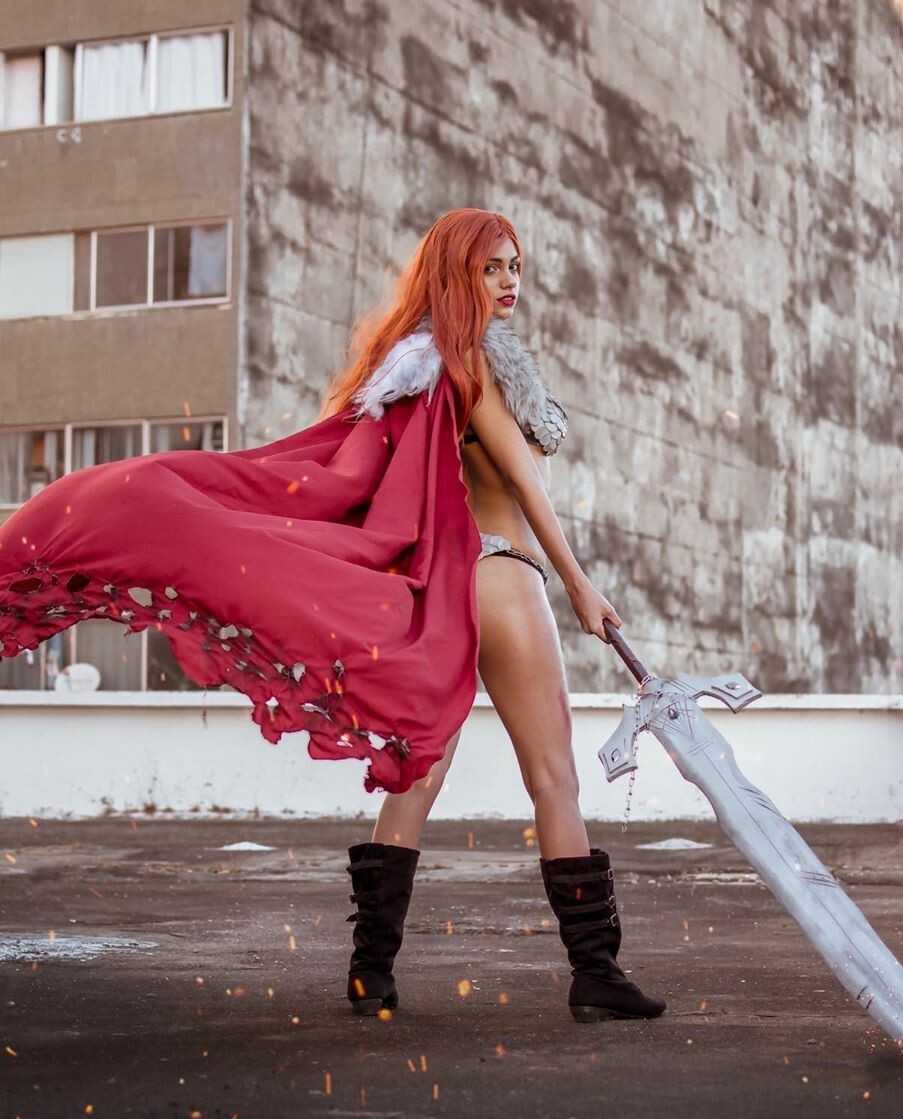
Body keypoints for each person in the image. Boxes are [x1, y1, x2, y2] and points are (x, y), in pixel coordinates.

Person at [0, 207, 665, 1025]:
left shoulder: (413, 369)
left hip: (446, 586)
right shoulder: (470, 361)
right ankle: (596, 973)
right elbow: (524, 485)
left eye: (516, 266)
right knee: (553, 777)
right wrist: (579, 584)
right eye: (492, 267)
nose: (509, 282)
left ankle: (370, 971)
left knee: (420, 775)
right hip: (504, 576)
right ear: (456, 274)